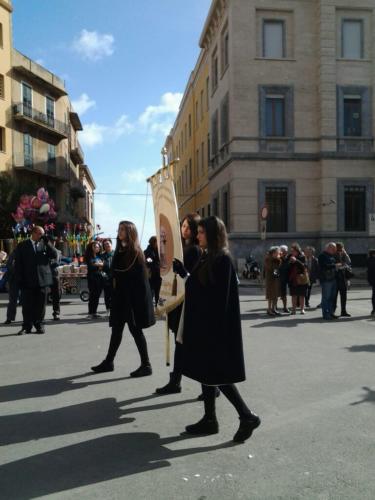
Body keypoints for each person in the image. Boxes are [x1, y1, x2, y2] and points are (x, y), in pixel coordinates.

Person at [173, 216, 261, 443]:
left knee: (217, 374)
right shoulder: (208, 256)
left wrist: (208, 329)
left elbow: (217, 298)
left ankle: (246, 415)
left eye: (201, 232)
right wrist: (185, 273)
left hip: (213, 329)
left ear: (212, 235)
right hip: (205, 326)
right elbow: (201, 286)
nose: (197, 235)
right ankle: (210, 419)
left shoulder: (222, 259)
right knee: (207, 373)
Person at [91, 220, 155, 377]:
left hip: (131, 301)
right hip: (121, 299)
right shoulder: (121, 251)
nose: (118, 232)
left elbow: (136, 280)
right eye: (118, 229)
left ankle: (146, 365)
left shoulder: (135, 252)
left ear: (129, 232)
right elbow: (117, 272)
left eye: (122, 230)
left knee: (136, 331)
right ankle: (109, 362)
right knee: (117, 331)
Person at [155, 213, 207, 396]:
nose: (185, 230)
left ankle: (206, 385)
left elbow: (192, 279)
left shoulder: (193, 250)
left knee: (188, 345)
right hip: (180, 300)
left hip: (187, 302)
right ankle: (182, 382)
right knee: (184, 345)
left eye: (189, 227)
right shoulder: (183, 248)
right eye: (183, 226)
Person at [15, 226, 57, 334]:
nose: (41, 236)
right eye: (40, 234)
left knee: (40, 305)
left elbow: (54, 255)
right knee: (27, 305)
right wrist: (19, 279)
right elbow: (18, 264)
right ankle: (26, 326)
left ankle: (39, 325)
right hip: (27, 280)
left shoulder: (44, 245)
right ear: (33, 233)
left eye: (42, 234)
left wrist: (48, 243)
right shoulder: (22, 245)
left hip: (42, 280)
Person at [318, 242, 338, 320]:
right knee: (326, 297)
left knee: (332, 298)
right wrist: (335, 265)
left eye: (335, 248)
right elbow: (323, 266)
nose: (334, 250)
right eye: (333, 248)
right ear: (328, 248)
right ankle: (326, 314)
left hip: (333, 279)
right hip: (326, 280)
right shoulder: (322, 256)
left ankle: (331, 313)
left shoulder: (331, 256)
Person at [85, 241, 104, 319]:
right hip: (92, 278)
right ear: (92, 248)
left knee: (97, 296)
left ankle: (95, 312)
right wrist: (99, 265)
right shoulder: (89, 256)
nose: (97, 248)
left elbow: (103, 265)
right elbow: (91, 266)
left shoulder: (100, 256)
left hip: (99, 278)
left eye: (98, 247)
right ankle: (90, 313)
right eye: (95, 247)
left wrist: (98, 264)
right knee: (92, 296)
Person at [288, 243, 308, 315]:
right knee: (294, 295)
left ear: (297, 250)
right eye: (291, 251)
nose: (292, 252)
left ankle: (302, 309)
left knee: (302, 295)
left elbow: (304, 266)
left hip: (301, 278)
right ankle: (293, 310)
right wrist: (290, 262)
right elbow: (288, 268)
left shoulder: (302, 257)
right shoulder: (290, 256)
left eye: (293, 251)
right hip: (293, 279)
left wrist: (296, 260)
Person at [333, 242, 352, 317]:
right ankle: (333, 311)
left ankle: (343, 311)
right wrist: (340, 266)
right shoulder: (333, 255)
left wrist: (346, 253)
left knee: (344, 296)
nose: (340, 251)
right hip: (335, 278)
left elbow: (349, 262)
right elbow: (334, 266)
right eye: (339, 249)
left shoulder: (343, 254)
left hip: (343, 278)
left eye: (342, 249)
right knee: (334, 296)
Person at [3, 247, 20, 324]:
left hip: (25, 279)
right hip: (14, 279)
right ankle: (9, 318)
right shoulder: (14, 253)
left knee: (27, 301)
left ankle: (29, 319)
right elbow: (9, 266)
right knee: (13, 300)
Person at [144, 236, 162, 308]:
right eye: (157, 242)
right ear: (153, 242)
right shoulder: (147, 251)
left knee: (158, 292)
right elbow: (148, 261)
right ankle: (149, 307)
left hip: (158, 275)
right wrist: (155, 264)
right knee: (150, 292)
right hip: (151, 275)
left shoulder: (159, 251)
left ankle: (157, 306)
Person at [263, 246, 281, 316]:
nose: (278, 254)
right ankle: (269, 309)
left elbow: (277, 268)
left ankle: (274, 309)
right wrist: (275, 261)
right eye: (277, 253)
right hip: (270, 279)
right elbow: (270, 268)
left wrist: (278, 260)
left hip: (275, 278)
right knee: (270, 295)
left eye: (278, 253)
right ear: (273, 253)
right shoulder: (268, 259)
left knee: (275, 295)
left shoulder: (276, 259)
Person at [101, 239, 114, 317]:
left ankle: (115, 310)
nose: (107, 245)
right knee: (107, 295)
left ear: (111, 244)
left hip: (115, 277)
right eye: (105, 244)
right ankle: (108, 309)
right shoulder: (102, 256)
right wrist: (104, 275)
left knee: (115, 294)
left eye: (108, 243)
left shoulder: (116, 253)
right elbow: (100, 268)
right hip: (106, 277)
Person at [49, 238, 62, 321]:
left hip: (54, 275)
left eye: (53, 242)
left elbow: (56, 262)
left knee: (56, 295)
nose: (52, 243)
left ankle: (56, 313)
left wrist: (46, 263)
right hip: (43, 275)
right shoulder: (43, 251)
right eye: (51, 241)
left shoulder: (58, 251)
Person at [278, 245, 290, 313]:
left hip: (286, 279)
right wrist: (276, 277)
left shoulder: (288, 258)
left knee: (284, 294)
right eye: (283, 251)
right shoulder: (278, 259)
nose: (285, 253)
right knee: (276, 294)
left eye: (285, 251)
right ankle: (275, 307)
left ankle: (285, 307)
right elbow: (275, 269)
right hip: (279, 278)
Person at [367, 249, 375, 317]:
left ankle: (373, 310)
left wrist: (369, 280)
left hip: (372, 280)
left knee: (374, 295)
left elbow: (369, 272)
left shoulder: (369, 260)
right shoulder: (372, 260)